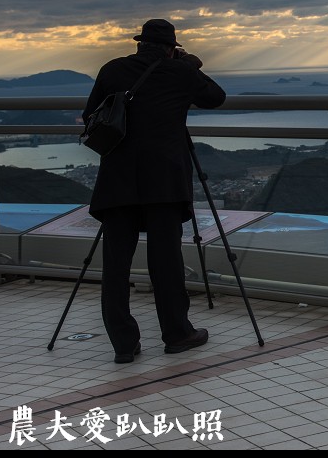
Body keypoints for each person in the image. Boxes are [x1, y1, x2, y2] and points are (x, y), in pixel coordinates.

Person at [83, 18, 227, 363]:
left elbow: (91, 114)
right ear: (171, 47)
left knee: (115, 264)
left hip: (117, 179)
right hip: (164, 180)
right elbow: (216, 98)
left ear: (139, 44)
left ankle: (123, 344)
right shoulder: (180, 72)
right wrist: (190, 65)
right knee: (166, 261)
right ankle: (177, 334)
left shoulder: (113, 69)